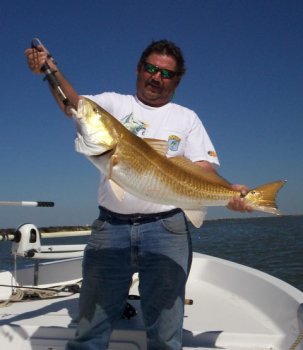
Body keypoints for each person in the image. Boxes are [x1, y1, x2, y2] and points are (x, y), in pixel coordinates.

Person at [25, 39, 252, 350]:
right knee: (90, 329)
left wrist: (231, 192)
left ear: (177, 80)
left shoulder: (186, 118)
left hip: (167, 228)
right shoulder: (115, 105)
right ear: (139, 69)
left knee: (166, 333)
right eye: (150, 68)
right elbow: (75, 106)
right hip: (110, 228)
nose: (156, 77)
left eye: (165, 73)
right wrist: (50, 71)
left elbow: (203, 168)